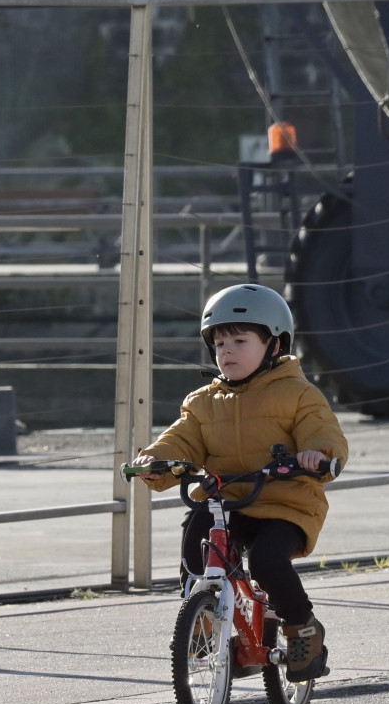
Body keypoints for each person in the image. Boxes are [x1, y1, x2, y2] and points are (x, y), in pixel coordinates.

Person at [130, 283, 348, 681]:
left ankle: (303, 627)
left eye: (240, 341)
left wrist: (317, 455)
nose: (226, 351)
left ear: (275, 344)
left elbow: (323, 433)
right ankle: (206, 619)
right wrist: (158, 460)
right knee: (196, 543)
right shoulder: (202, 402)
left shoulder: (299, 394)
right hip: (226, 500)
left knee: (266, 561)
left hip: (285, 502)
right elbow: (182, 439)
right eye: (219, 343)